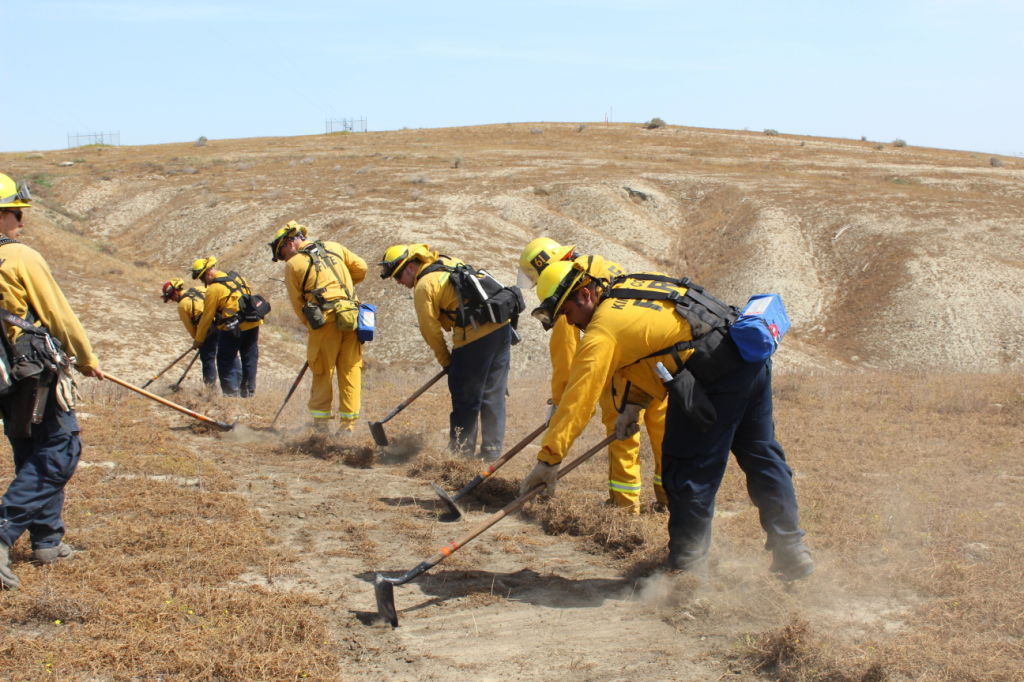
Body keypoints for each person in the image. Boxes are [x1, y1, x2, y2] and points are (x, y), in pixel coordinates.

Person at [519, 256, 813, 581]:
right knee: (762, 456)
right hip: (747, 357)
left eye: (567, 313)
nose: (570, 324)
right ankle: (791, 551)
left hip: (713, 378)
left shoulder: (602, 331)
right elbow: (657, 344)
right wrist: (632, 404)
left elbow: (578, 399)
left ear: (585, 295)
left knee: (688, 474)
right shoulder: (630, 288)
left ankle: (687, 575)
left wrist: (549, 460)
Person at [0, 173, 104, 590]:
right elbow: (59, 315)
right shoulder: (18, 257)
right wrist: (86, 358)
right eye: (16, 213)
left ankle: (46, 539)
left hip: (5, 378)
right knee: (61, 448)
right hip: (32, 374)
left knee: (31, 448)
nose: (22, 222)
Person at [517, 237, 668, 514]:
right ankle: (668, 499)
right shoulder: (600, 266)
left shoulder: (566, 295)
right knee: (663, 432)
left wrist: (560, 403)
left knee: (622, 432)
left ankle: (624, 507)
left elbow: (566, 358)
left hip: (618, 368)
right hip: (659, 362)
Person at [380, 244, 511, 459]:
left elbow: (430, 330)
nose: (398, 282)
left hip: (474, 339)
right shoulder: (447, 261)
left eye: (398, 275)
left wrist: (447, 362)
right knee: (493, 393)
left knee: (465, 399)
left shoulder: (424, 286)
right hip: (501, 329)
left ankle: (460, 455)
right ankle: (492, 451)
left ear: (411, 266)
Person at [269, 221, 367, 432]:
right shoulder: (335, 247)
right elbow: (361, 269)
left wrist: (312, 327)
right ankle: (347, 428)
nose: (284, 258)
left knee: (322, 370)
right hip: (352, 316)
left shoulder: (293, 265)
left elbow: (298, 305)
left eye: (283, 252)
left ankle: (320, 428)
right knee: (350, 370)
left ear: (290, 242)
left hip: (325, 322)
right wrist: (343, 288)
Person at [191, 256, 263, 398]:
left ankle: (230, 395)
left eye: (202, 278)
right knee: (249, 357)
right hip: (253, 323)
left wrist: (199, 339)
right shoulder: (238, 278)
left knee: (225, 359)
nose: (203, 282)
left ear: (207, 273)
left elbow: (206, 317)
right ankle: (248, 392)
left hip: (232, 329)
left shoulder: (214, 289)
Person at [161, 277, 218, 386]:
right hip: (221, 324)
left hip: (207, 331)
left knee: (207, 359)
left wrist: (198, 341)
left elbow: (191, 329)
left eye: (171, 296)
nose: (172, 299)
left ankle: (211, 389)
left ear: (176, 291)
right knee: (228, 355)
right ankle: (237, 384)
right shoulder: (200, 289)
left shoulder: (182, 306)